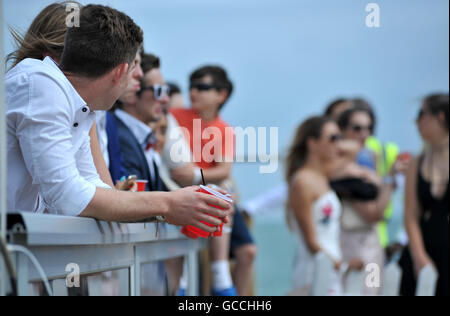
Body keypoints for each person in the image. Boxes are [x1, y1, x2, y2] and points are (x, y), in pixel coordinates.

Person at [6, 4, 231, 231]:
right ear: (120, 72)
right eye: (135, 66)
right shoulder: (41, 82)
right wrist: (168, 203)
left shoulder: (79, 107)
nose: (139, 76)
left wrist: (176, 209)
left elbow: (93, 187)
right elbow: (67, 195)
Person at [170, 66, 237, 296]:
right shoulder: (175, 115)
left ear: (222, 94)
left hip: (204, 189)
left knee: (222, 198)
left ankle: (219, 272)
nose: (194, 92)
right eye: (192, 87)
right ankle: (202, 280)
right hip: (177, 188)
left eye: (202, 87)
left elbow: (224, 170)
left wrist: (194, 175)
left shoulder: (224, 129)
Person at [286, 116, 361, 295]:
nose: (339, 144)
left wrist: (335, 139)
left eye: (340, 137)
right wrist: (341, 266)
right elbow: (311, 241)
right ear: (312, 143)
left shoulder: (323, 176)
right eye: (333, 138)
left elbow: (354, 149)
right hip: (314, 269)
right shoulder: (302, 182)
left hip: (331, 267)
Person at [400, 94, 449, 296]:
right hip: (425, 247)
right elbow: (411, 215)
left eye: (421, 114)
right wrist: (419, 256)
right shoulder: (416, 163)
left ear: (440, 117)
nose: (416, 121)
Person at [114, 53, 169, 192]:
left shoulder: (141, 138)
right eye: (158, 91)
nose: (165, 99)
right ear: (134, 91)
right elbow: (133, 200)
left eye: (165, 91)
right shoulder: (118, 135)